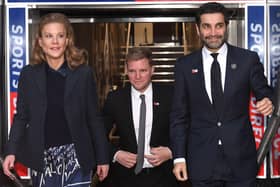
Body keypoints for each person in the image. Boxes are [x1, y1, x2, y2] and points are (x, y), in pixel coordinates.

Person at [170, 2, 274, 187]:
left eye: (219, 25)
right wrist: (179, 157)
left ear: (226, 26)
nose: (213, 33)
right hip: (201, 161)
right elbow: (179, 115)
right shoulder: (184, 66)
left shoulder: (247, 60)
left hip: (240, 161)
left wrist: (268, 100)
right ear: (197, 29)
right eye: (206, 26)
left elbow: (265, 91)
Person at [2, 13, 109, 186]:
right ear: (40, 41)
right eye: (49, 36)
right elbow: (21, 117)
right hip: (42, 161)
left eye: (60, 36)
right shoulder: (28, 75)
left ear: (67, 40)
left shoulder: (83, 74)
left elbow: (94, 118)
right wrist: (11, 151)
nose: (55, 41)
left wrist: (103, 157)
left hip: (78, 159)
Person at [103, 47, 179, 187]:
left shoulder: (170, 95)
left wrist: (171, 151)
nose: (137, 76)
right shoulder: (115, 99)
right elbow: (97, 134)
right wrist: (115, 154)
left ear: (152, 70)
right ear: (126, 70)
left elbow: (189, 129)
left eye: (143, 70)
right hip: (125, 178)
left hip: (164, 176)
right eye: (132, 71)